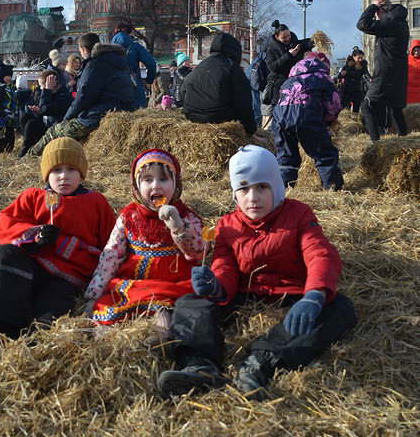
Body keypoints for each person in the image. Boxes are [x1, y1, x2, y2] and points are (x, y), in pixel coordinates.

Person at [157, 145, 357, 400]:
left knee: (340, 309)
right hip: (246, 293)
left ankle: (259, 364)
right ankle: (200, 366)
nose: (253, 197)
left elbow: (320, 254)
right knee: (189, 302)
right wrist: (216, 285)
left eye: (262, 187)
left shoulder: (298, 214)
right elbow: (225, 264)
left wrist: (314, 296)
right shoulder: (228, 224)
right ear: (234, 194)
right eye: (244, 188)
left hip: (294, 293)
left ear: (276, 185)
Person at [0, 137, 116, 342]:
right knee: (4, 255)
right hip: (32, 268)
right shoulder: (33, 196)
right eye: (56, 170)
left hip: (68, 278)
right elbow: (7, 222)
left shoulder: (96, 202)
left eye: (71, 169)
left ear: (81, 174)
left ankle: (36, 341)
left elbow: (110, 245)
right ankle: (2, 330)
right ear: (47, 174)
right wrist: (35, 236)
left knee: (51, 314)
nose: (64, 176)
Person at [85, 149, 207, 329]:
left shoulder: (185, 216)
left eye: (163, 179)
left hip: (170, 282)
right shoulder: (129, 216)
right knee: (105, 306)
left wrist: (178, 227)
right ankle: (106, 337)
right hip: (135, 282)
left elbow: (199, 252)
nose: (156, 186)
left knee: (164, 311)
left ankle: (160, 337)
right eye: (148, 180)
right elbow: (112, 255)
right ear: (136, 185)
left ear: (176, 183)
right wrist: (96, 288)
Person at [26, 33, 134, 156]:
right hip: (121, 111)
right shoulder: (119, 62)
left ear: (85, 49)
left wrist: (67, 119)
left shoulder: (93, 65)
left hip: (98, 115)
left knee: (53, 133)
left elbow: (83, 98)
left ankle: (28, 159)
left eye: (80, 51)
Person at [272, 51, 343, 190]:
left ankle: (282, 190)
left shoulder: (289, 79)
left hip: (280, 120)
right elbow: (333, 104)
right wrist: (328, 122)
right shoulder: (322, 77)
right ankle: (333, 188)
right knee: (325, 154)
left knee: (286, 157)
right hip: (306, 116)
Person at [181, 32, 257, 136]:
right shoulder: (233, 67)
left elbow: (183, 91)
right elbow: (243, 102)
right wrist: (250, 131)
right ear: (235, 50)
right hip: (219, 118)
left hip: (192, 117)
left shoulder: (200, 66)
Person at [356, 0, 409, 142]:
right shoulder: (402, 23)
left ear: (381, 11)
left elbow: (362, 24)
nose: (376, 18)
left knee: (366, 106)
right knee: (396, 109)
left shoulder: (389, 23)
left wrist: (372, 6)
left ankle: (376, 144)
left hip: (386, 73)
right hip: (400, 74)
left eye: (376, 13)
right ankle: (404, 143)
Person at [262, 22, 314, 117]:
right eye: (284, 37)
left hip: (294, 86)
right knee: (279, 116)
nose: (287, 38)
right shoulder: (271, 49)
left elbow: (309, 43)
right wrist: (289, 55)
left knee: (293, 115)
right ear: (277, 37)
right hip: (278, 88)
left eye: (288, 35)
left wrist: (317, 39)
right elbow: (273, 67)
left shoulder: (296, 44)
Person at [18, 69, 72, 157]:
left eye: (41, 85)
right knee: (25, 116)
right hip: (47, 127)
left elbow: (46, 109)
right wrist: (39, 112)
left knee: (32, 124)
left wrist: (47, 90)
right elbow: (46, 110)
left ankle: (26, 153)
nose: (41, 88)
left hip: (55, 131)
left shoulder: (64, 97)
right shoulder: (51, 94)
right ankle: (31, 146)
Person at [111, 22, 157, 109]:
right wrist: (148, 80)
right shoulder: (135, 47)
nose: (134, 36)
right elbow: (151, 63)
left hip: (114, 91)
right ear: (127, 33)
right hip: (134, 89)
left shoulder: (109, 50)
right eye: (133, 33)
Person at [336, 48, 370, 114]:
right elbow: (339, 77)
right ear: (354, 57)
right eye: (358, 58)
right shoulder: (347, 66)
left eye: (361, 58)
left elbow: (367, 75)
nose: (360, 60)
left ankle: (355, 118)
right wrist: (342, 74)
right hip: (346, 88)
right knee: (344, 105)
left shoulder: (363, 66)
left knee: (357, 106)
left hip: (356, 88)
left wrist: (371, 79)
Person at [406, 39, 420, 105]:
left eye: (418, 51)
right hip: (409, 91)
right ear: (411, 50)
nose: (416, 53)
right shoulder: (407, 60)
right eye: (415, 51)